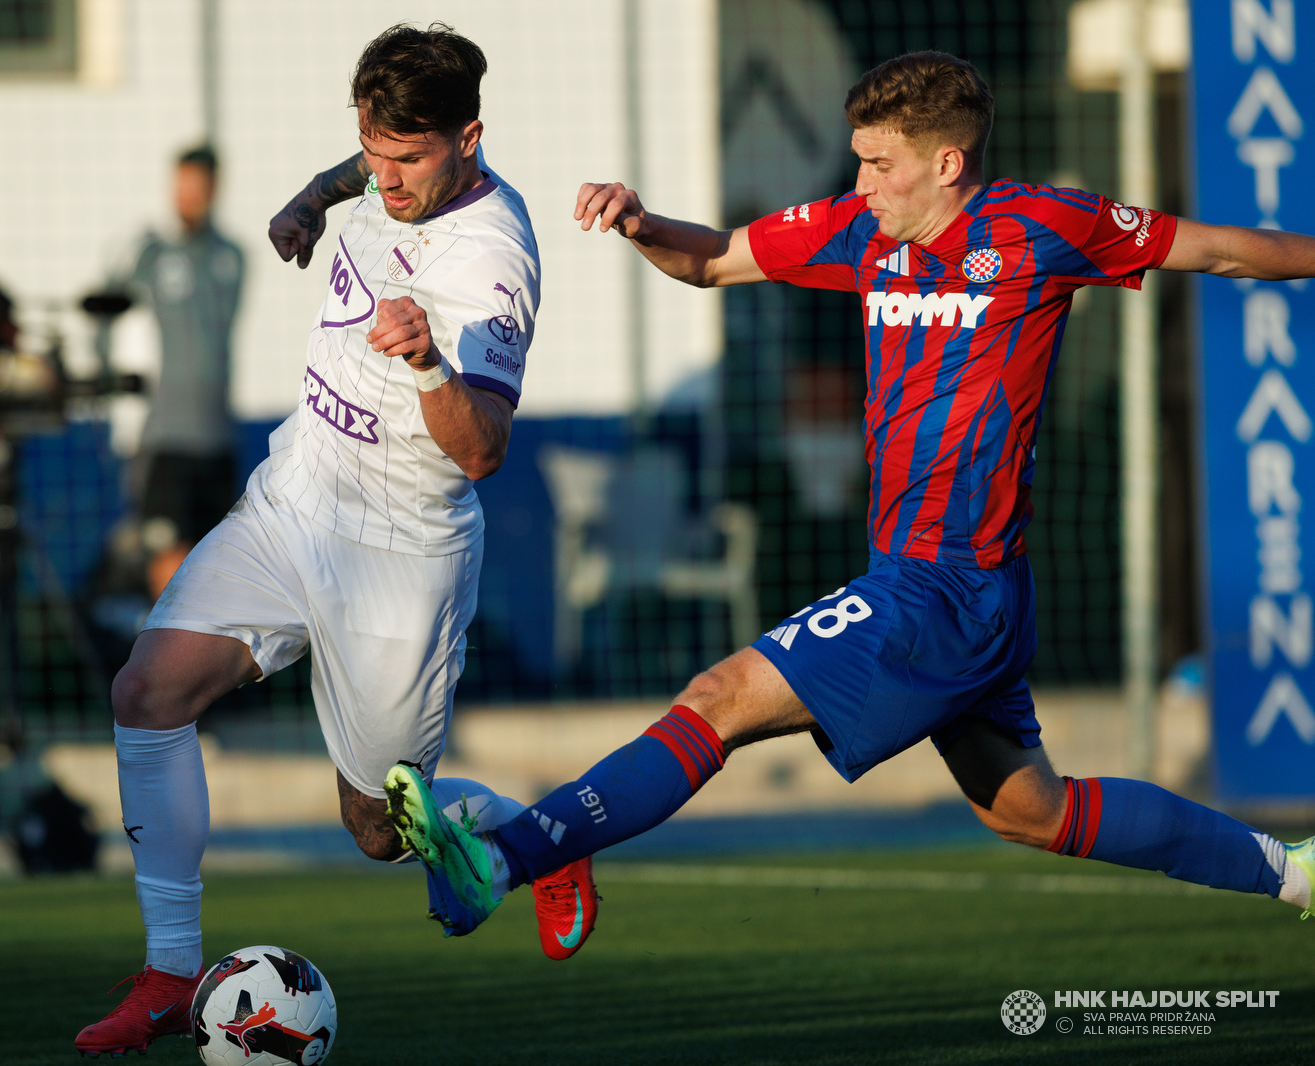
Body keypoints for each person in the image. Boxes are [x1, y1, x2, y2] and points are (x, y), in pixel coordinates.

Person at [385, 50, 1315, 945]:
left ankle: (504, 862)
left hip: (944, 591)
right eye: (860, 160)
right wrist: (641, 222)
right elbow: (714, 260)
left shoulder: (1045, 227)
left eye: (880, 163)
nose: (862, 183)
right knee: (1037, 811)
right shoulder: (863, 230)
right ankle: (1294, 872)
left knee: (717, 699)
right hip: (940, 589)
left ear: (948, 162)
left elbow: (1229, 251)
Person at [75, 23, 593, 1059]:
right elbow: (363, 161)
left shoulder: (493, 261)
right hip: (296, 494)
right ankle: (174, 973)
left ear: (468, 139)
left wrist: (428, 361)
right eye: (372, 150)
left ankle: (540, 838)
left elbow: (483, 450)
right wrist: (317, 197)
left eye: (408, 159)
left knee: (374, 829)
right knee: (147, 691)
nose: (385, 177)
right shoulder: (381, 164)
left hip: (400, 554)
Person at [117, 145, 247, 600]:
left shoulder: (231, 256)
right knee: (168, 563)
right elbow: (110, 319)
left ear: (214, 189)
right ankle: (163, 666)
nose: (187, 196)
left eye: (197, 186)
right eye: (181, 186)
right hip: (164, 438)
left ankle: (202, 669)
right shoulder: (149, 254)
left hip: (217, 436)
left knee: (216, 564)